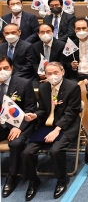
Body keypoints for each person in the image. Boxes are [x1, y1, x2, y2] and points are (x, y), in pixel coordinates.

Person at [22, 62, 81, 200]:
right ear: (45, 75)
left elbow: (71, 113)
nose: (52, 76)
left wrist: (57, 129)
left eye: (55, 72)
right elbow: (43, 108)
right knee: (27, 152)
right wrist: (35, 115)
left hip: (67, 124)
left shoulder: (73, 87)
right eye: (49, 73)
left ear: (63, 72)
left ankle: (62, 178)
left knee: (56, 150)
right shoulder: (43, 87)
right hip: (47, 125)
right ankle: (33, 180)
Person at [0, 55, 36, 198]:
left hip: (20, 126)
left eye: (5, 68)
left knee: (16, 143)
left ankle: (12, 176)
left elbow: (30, 109)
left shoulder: (23, 83)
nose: (2, 71)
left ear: (12, 68)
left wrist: (19, 127)